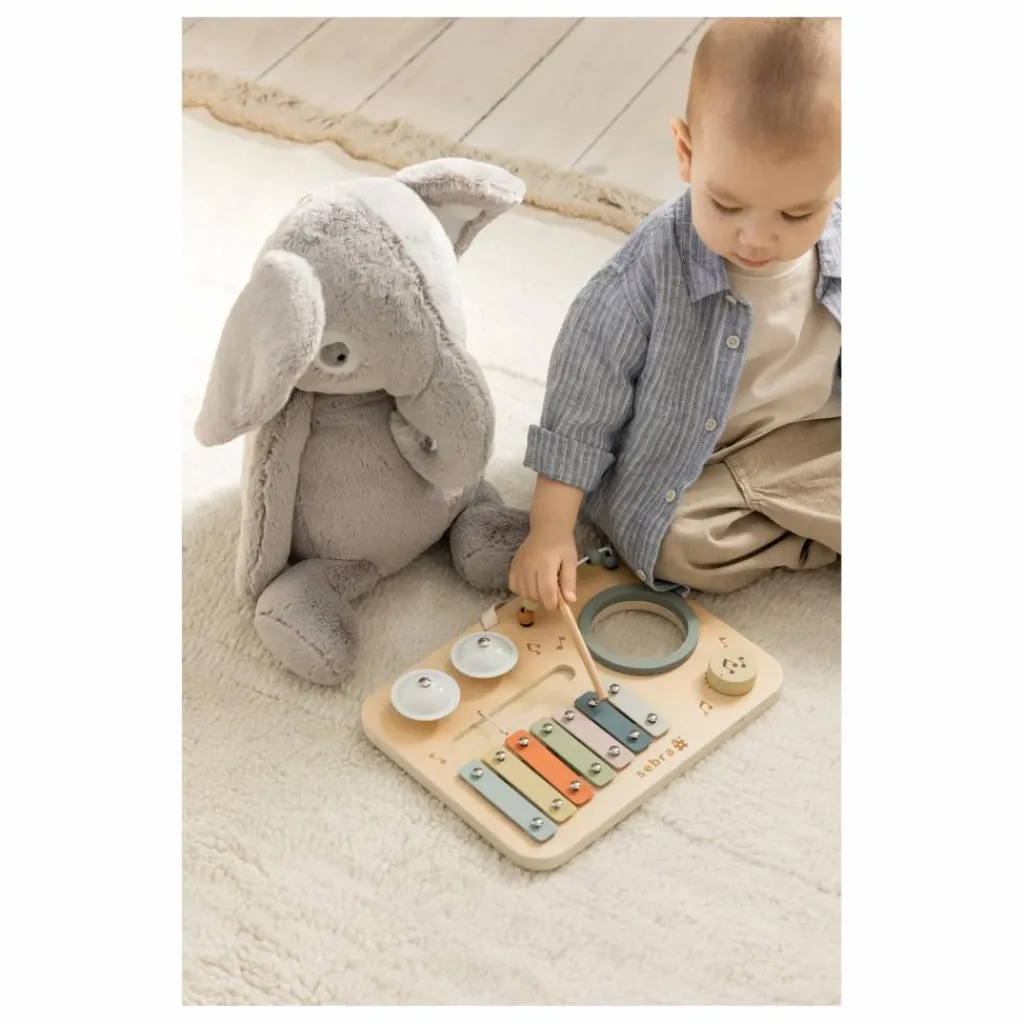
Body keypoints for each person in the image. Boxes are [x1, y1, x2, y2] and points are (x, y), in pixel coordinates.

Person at [509, 17, 841, 611]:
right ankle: (813, 528)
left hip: (810, 437)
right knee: (671, 543)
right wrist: (550, 531)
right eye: (727, 204)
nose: (758, 238)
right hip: (696, 469)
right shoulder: (646, 274)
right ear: (687, 153)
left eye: (797, 215)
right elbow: (580, 410)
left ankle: (804, 516)